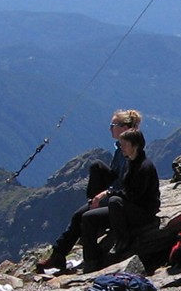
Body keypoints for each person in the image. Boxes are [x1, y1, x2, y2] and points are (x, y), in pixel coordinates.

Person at [44, 109, 142, 271]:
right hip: (114, 194)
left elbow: (124, 182)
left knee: (82, 216)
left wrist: (105, 193)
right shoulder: (121, 147)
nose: (110, 128)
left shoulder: (129, 150)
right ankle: (58, 255)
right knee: (96, 168)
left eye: (113, 125)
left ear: (124, 128)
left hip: (120, 199)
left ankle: (74, 258)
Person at [77, 127, 160, 272]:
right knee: (87, 218)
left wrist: (108, 193)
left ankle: (123, 241)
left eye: (124, 145)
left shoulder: (144, 167)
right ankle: (91, 259)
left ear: (135, 145)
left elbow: (133, 195)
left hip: (143, 212)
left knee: (115, 201)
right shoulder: (131, 162)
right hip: (126, 210)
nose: (121, 147)